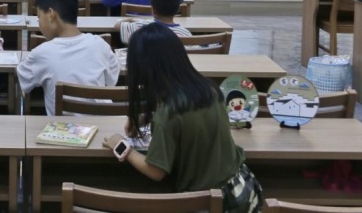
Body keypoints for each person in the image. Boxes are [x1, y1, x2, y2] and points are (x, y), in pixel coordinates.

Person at [102, 23, 262, 212]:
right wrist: (147, 117)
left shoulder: (168, 114)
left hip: (212, 203)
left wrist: (121, 146)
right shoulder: (208, 89)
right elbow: (187, 121)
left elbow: (155, 171)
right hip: (244, 188)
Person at [17, 0, 119, 116]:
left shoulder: (41, 53)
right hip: (104, 124)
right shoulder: (100, 45)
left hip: (63, 128)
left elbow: (22, 82)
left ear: (51, 15)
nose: (39, 23)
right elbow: (111, 81)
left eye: (39, 17)